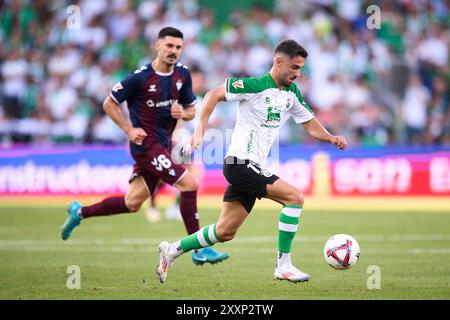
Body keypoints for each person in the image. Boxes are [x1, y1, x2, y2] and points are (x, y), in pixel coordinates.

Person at [156, 39, 347, 283]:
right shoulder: (255, 85)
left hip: (251, 167)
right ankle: (283, 265)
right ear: (278, 62)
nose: (298, 73)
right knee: (295, 198)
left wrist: (330, 137)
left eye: (300, 68)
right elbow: (214, 94)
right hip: (239, 164)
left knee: (225, 231)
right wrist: (200, 131)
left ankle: (171, 250)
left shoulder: (291, 93)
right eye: (294, 67)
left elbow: (310, 125)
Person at [60, 27, 229, 265]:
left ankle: (79, 212)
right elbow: (109, 103)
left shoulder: (182, 75)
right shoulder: (139, 77)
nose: (173, 51)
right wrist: (128, 129)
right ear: (157, 45)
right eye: (169, 46)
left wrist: (183, 112)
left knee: (132, 203)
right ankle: (198, 250)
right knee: (190, 183)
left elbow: (191, 110)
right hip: (145, 145)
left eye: (178, 47)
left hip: (163, 145)